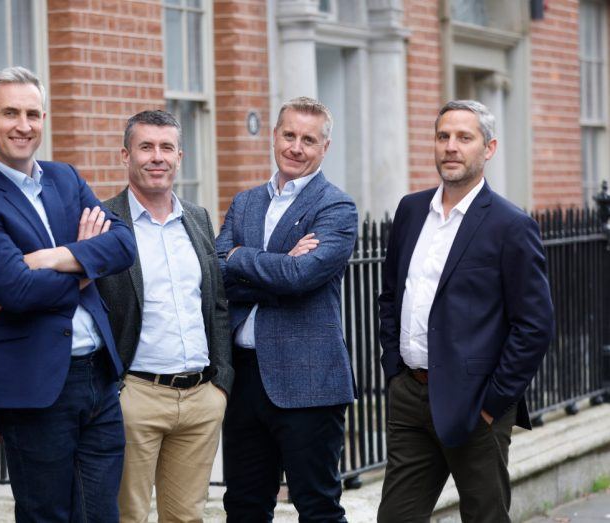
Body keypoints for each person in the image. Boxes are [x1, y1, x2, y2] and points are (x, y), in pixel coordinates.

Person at [0, 66, 136, 522]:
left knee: (102, 516)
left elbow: (123, 245)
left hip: (98, 378)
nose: (24, 125)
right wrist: (84, 265)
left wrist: (53, 257)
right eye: (10, 113)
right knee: (48, 516)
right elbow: (16, 291)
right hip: (34, 387)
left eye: (33, 114)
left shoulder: (66, 178)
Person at [376, 100, 554, 522]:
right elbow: (390, 297)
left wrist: (492, 402)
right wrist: (394, 369)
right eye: (443, 137)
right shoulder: (411, 210)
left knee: (484, 517)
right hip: (411, 396)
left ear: (488, 148)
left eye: (464, 137)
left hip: (477, 405)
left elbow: (534, 325)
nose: (450, 147)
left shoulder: (511, 225)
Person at [216, 96, 358, 522]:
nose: (296, 147)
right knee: (243, 505)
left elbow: (301, 277)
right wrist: (277, 264)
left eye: (308, 140)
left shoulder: (336, 207)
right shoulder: (245, 202)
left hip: (308, 382)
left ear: (324, 147)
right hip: (243, 378)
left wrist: (242, 256)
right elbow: (217, 275)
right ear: (275, 136)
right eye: (289, 135)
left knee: (316, 506)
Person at [96, 110, 233, 522]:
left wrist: (221, 384)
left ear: (179, 156)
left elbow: (217, 305)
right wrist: (115, 392)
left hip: (199, 400)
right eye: (146, 147)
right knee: (127, 515)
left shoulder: (198, 218)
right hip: (135, 397)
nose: (157, 157)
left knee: (186, 517)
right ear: (125, 155)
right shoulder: (103, 222)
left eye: (166, 148)